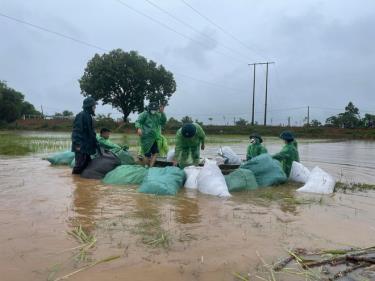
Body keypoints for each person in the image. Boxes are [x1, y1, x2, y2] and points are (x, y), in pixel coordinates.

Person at [71, 97, 98, 174]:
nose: (95, 107)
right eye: (94, 106)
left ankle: (81, 182)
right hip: (81, 147)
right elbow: (76, 131)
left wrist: (96, 143)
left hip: (86, 147)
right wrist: (77, 145)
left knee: (86, 164)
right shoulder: (81, 115)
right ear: (89, 106)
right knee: (79, 166)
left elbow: (91, 133)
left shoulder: (89, 116)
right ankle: (75, 180)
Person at [135, 102, 167, 167]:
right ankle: (146, 166)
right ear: (149, 109)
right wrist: (139, 128)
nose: (153, 111)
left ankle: (151, 167)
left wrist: (162, 112)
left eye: (155, 109)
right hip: (145, 137)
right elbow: (138, 121)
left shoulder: (157, 115)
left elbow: (163, 121)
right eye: (152, 109)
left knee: (155, 153)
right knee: (147, 154)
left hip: (153, 138)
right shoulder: (144, 114)